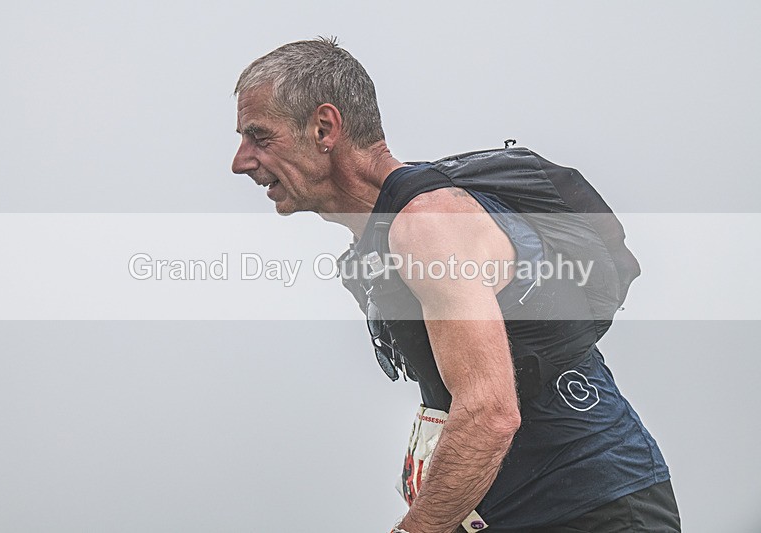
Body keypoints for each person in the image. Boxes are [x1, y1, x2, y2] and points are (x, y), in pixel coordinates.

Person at [231, 37, 681, 533]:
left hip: (597, 510)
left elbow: (489, 413)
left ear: (324, 128)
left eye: (260, 137)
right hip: (526, 512)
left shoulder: (428, 224)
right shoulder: (380, 236)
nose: (241, 160)